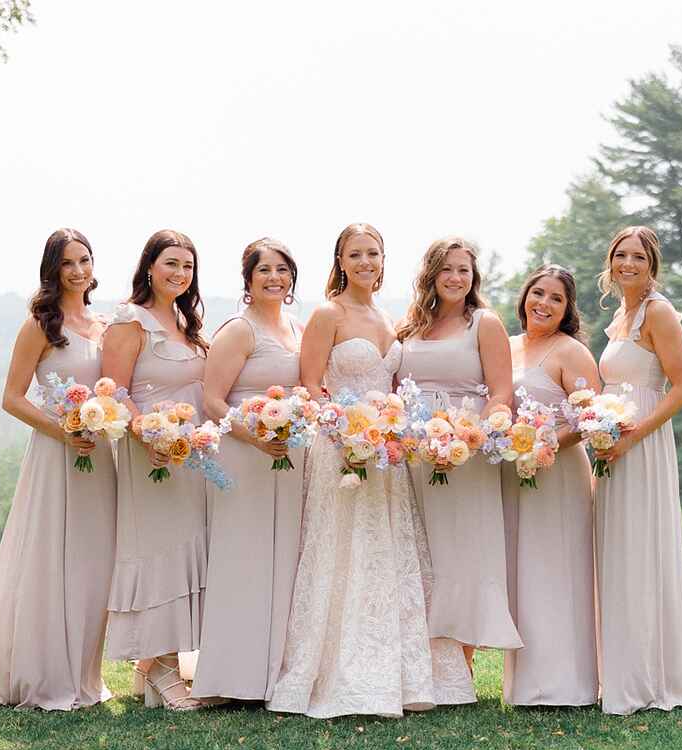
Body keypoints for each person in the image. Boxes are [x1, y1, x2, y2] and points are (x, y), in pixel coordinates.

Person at [266, 223, 474, 718]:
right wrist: (349, 431)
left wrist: (387, 432)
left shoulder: (389, 319)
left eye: (373, 254)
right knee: (342, 556)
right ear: (341, 260)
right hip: (339, 451)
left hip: (384, 458)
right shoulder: (326, 315)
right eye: (355, 254)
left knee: (386, 554)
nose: (366, 262)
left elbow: (396, 387)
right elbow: (311, 385)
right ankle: (334, 672)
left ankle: (400, 674)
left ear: (384, 260)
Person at [0, 227, 116, 710]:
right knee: (52, 558)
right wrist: (62, 431)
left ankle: (84, 674)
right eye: (68, 263)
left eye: (85, 260)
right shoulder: (39, 325)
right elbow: (11, 397)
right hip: (56, 456)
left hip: (101, 457)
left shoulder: (105, 326)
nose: (79, 271)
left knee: (95, 562)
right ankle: (45, 673)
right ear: (53, 269)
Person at [592, 226, 682, 715]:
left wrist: (632, 437)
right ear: (611, 263)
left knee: (640, 550)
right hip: (612, 446)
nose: (628, 264)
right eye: (621, 255)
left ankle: (652, 678)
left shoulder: (658, 313)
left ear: (652, 264)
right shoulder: (620, 316)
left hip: (643, 444)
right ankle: (619, 670)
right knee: (615, 552)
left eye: (638, 256)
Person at [397, 237, 521, 669]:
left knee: (465, 550)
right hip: (417, 455)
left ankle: (461, 661)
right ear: (431, 275)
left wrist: (466, 439)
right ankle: (428, 660)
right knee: (424, 551)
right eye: (447, 269)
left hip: (466, 455)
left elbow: (502, 392)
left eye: (463, 270)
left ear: (474, 278)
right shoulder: (410, 328)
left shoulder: (483, 324)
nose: (455, 278)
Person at [190, 238, 305, 702]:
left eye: (283, 270)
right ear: (248, 279)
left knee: (283, 560)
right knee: (243, 560)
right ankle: (229, 677)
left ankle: (272, 672)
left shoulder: (296, 328)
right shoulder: (239, 330)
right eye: (265, 271)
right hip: (243, 454)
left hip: (286, 458)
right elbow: (213, 401)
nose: (275, 278)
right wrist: (256, 436)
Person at [101, 229, 211, 711]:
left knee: (187, 547)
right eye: (171, 264)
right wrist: (147, 432)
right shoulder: (131, 321)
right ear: (149, 266)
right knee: (159, 548)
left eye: (187, 267)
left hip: (190, 454)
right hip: (151, 455)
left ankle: (155, 665)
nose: (179, 274)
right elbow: (114, 389)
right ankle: (162, 668)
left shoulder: (187, 321)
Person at [501, 265, 601, 706]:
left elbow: (591, 417)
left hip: (558, 472)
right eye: (537, 293)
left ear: (567, 309)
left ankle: (569, 684)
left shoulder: (571, 352)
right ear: (524, 298)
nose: (543, 303)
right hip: (514, 473)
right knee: (524, 571)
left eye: (555, 298)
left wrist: (545, 448)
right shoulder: (507, 347)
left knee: (559, 568)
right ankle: (528, 685)